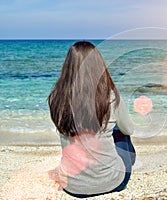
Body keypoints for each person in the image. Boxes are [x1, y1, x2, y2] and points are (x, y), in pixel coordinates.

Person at [48, 41, 136, 198]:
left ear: (68, 67)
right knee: (121, 132)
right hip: (113, 181)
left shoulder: (56, 98)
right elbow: (129, 129)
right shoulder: (110, 97)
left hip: (73, 187)